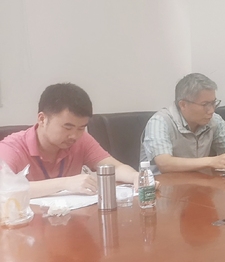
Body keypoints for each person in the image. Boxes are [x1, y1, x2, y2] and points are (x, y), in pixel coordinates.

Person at [0, 83, 140, 198]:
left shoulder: (81, 140)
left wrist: (135, 176)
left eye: (81, 128)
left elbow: (115, 167)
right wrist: (65, 183)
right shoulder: (12, 147)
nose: (74, 135)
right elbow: (4, 188)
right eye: (68, 127)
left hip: (70, 220)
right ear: (42, 119)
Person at [141, 73, 225, 173]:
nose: (211, 110)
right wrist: (210, 161)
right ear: (183, 105)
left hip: (200, 181)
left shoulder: (214, 120)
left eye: (213, 103)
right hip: (162, 182)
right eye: (205, 104)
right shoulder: (160, 122)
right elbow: (164, 163)